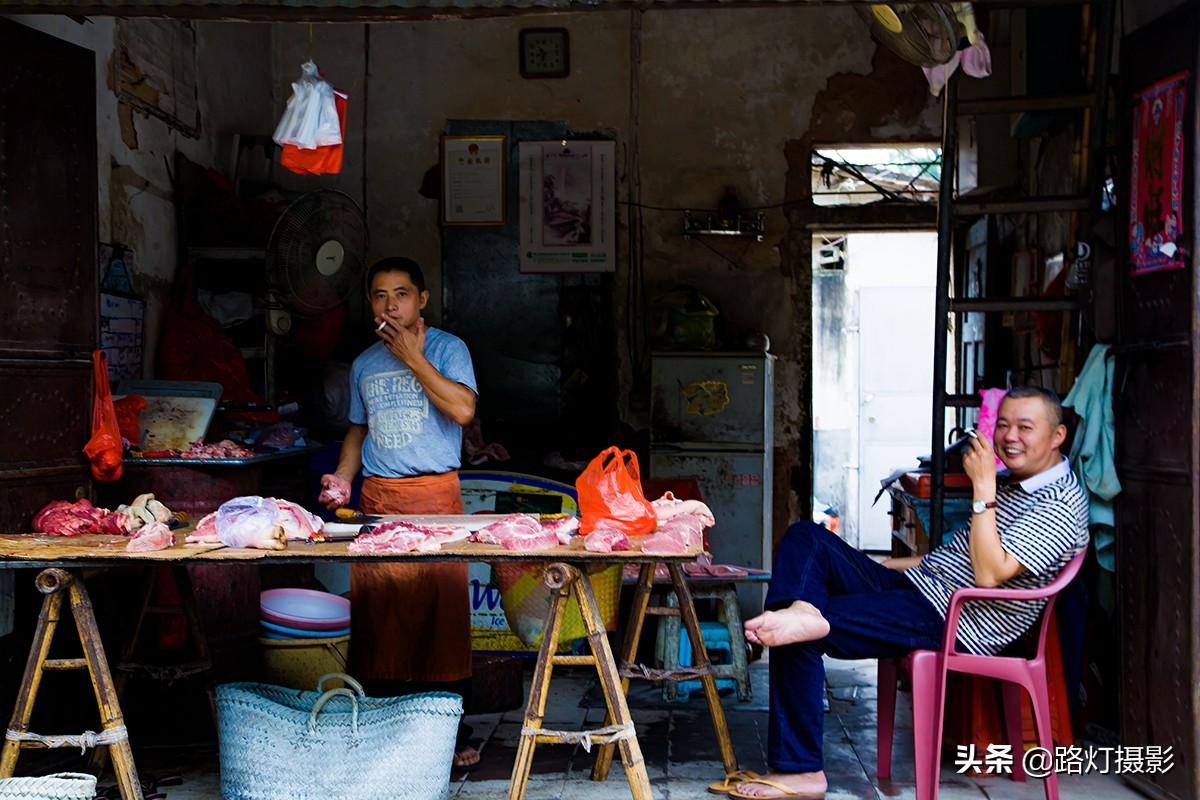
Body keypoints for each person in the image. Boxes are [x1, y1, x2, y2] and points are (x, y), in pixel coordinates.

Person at [732, 385, 1089, 799]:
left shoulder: (1059, 504)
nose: (1010, 437)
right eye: (1004, 425)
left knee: (798, 631)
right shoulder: (1016, 484)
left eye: (1025, 427)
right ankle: (803, 607)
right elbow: (957, 559)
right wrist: (885, 566)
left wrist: (983, 492)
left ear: (1057, 436)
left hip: (954, 617)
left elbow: (990, 576)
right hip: (920, 588)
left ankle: (803, 771)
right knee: (807, 538)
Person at [317, 256, 482, 770]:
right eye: (381, 295)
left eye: (403, 294)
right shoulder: (365, 362)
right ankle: (383, 731)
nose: (392, 304)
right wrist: (344, 477)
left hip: (436, 498)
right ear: (370, 303)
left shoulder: (449, 350)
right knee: (381, 613)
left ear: (423, 299)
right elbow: (358, 429)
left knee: (442, 614)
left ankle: (448, 734)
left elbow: (463, 410)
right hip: (380, 501)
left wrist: (413, 357)